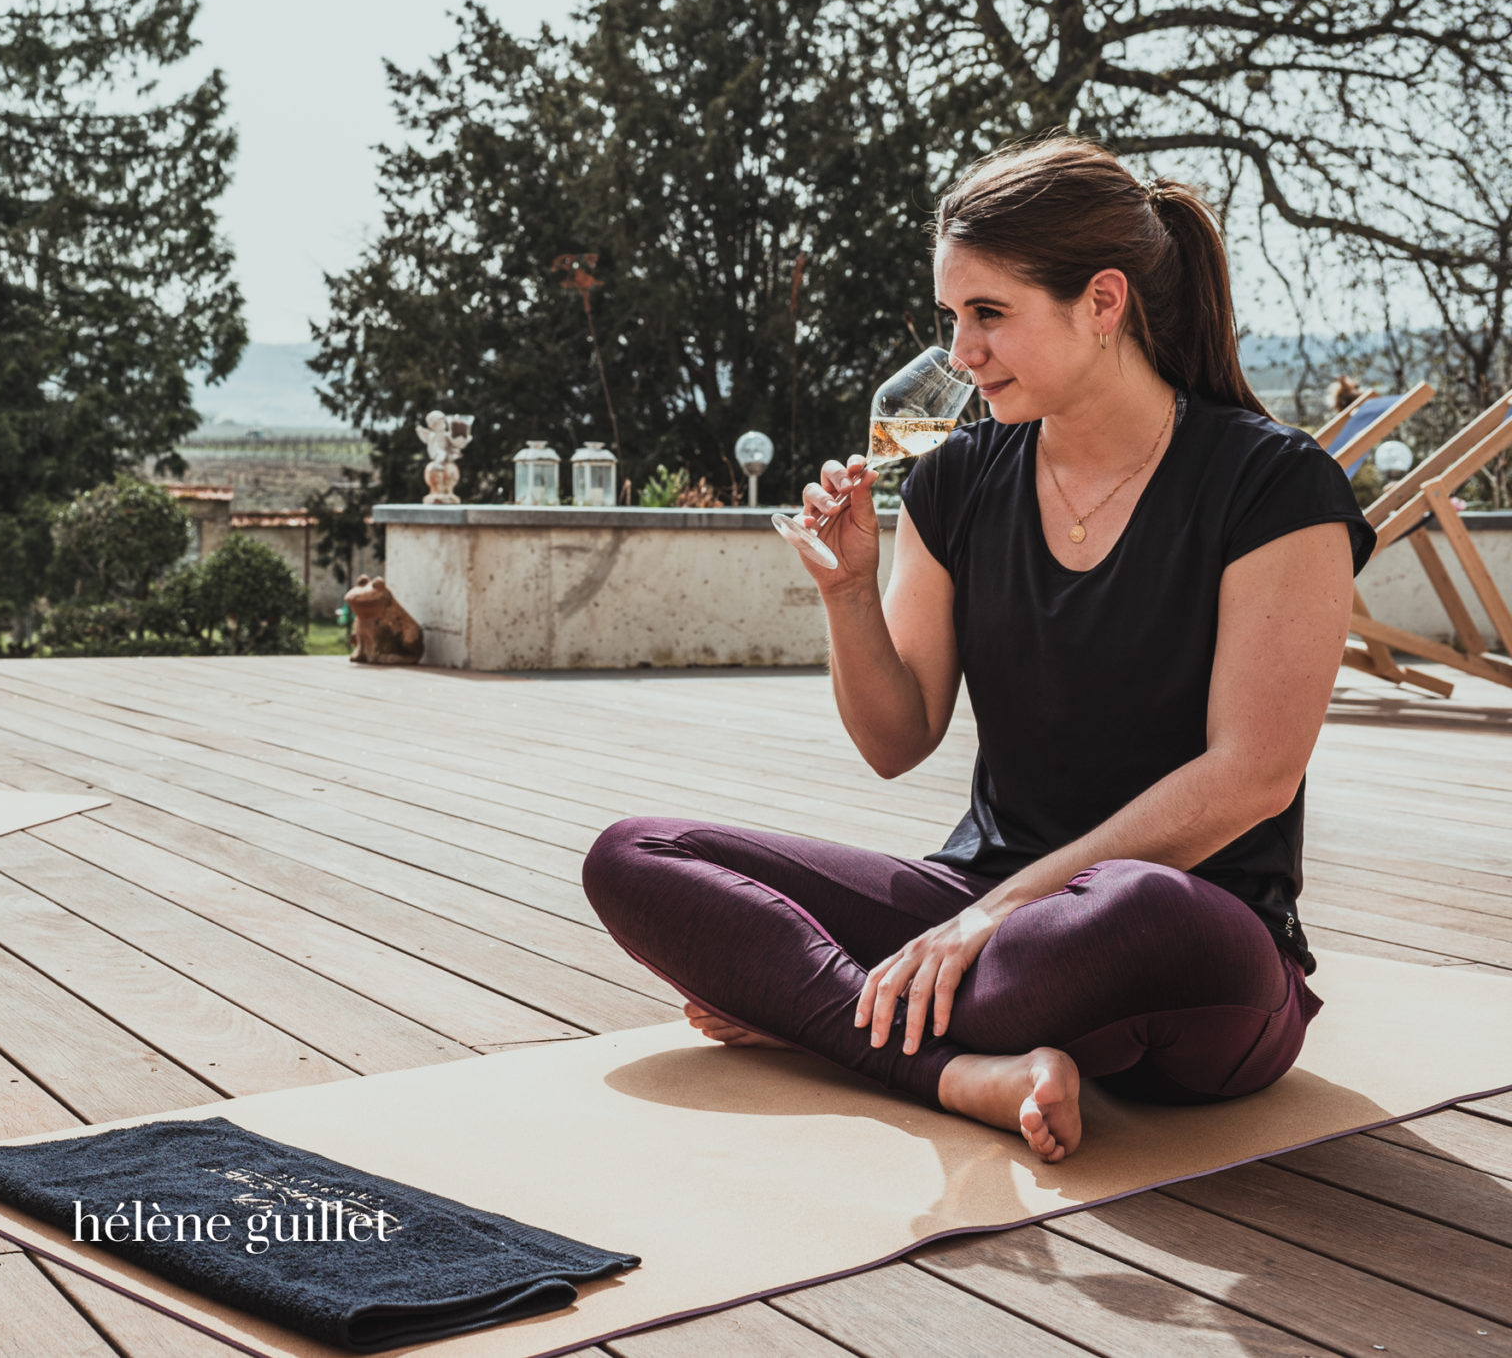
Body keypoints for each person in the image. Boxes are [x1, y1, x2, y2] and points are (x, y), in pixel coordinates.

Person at [582, 136, 1372, 1162]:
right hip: (983, 906)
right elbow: (895, 737)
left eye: (989, 314)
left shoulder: (1272, 485)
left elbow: (1251, 777)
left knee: (1132, 910)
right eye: (952, 318)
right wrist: (849, 591)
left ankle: (824, 1010)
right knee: (635, 855)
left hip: (1188, 944)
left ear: (1102, 302)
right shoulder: (956, 478)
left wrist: (988, 919)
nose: (960, 354)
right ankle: (965, 1070)